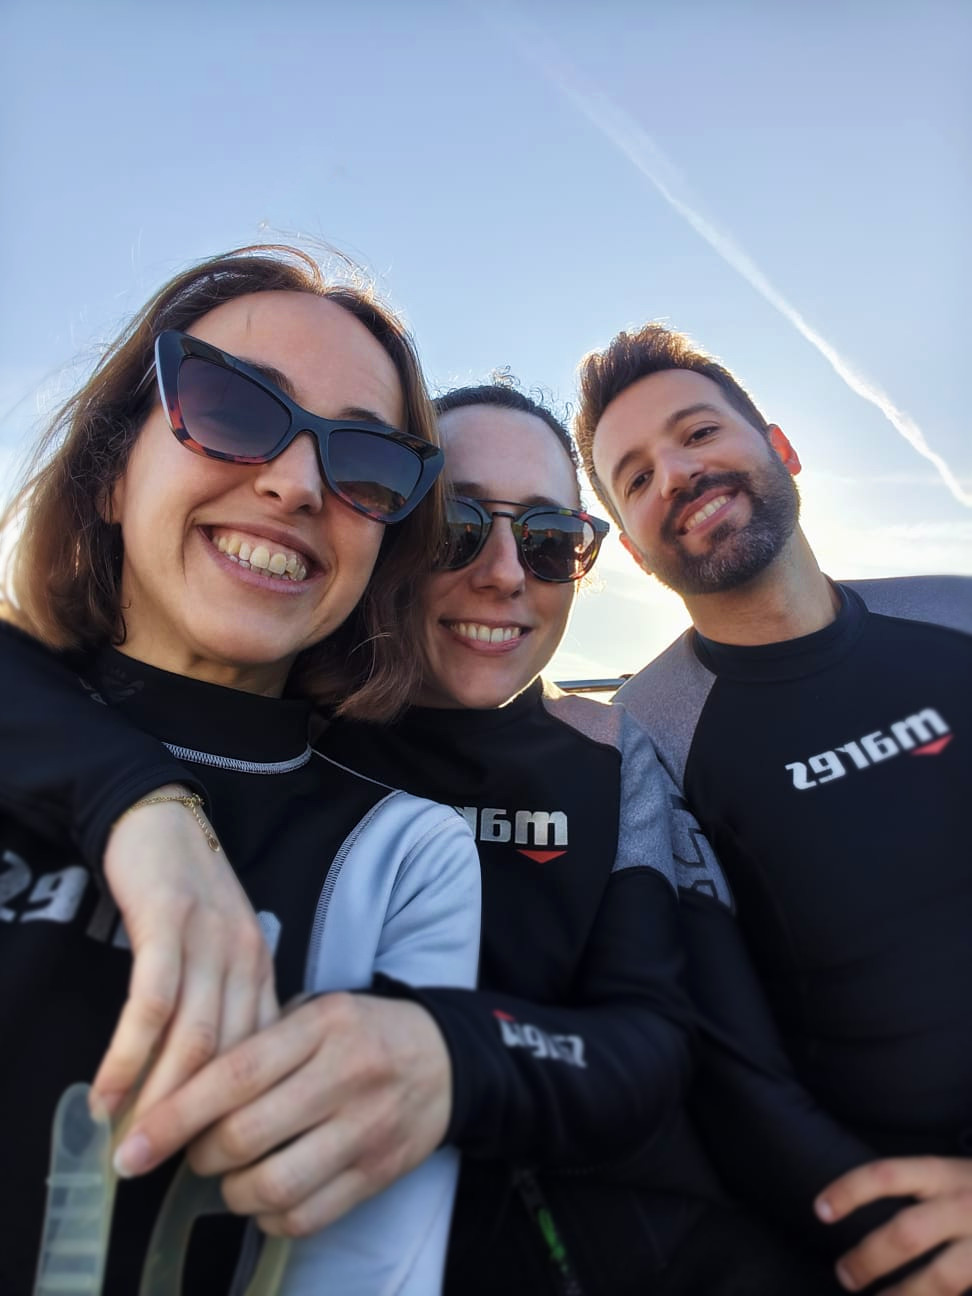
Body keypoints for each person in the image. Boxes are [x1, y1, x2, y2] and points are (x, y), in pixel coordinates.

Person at [0, 367, 867, 1293]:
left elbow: (654, 1044)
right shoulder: (277, 720)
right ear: (388, 536)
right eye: (456, 528)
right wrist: (141, 801)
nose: (501, 575)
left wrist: (451, 1052)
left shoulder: (608, 758)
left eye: (548, 542)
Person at [0, 245, 483, 1295]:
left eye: (364, 462)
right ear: (110, 474)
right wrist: (137, 803)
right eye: (229, 405)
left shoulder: (405, 856)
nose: (298, 482)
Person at [573, 322, 972, 1294]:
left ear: (782, 450)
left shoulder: (959, 619)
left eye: (699, 432)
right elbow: (728, 1062)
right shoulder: (645, 741)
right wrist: (885, 1225)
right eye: (634, 474)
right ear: (631, 546)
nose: (674, 471)